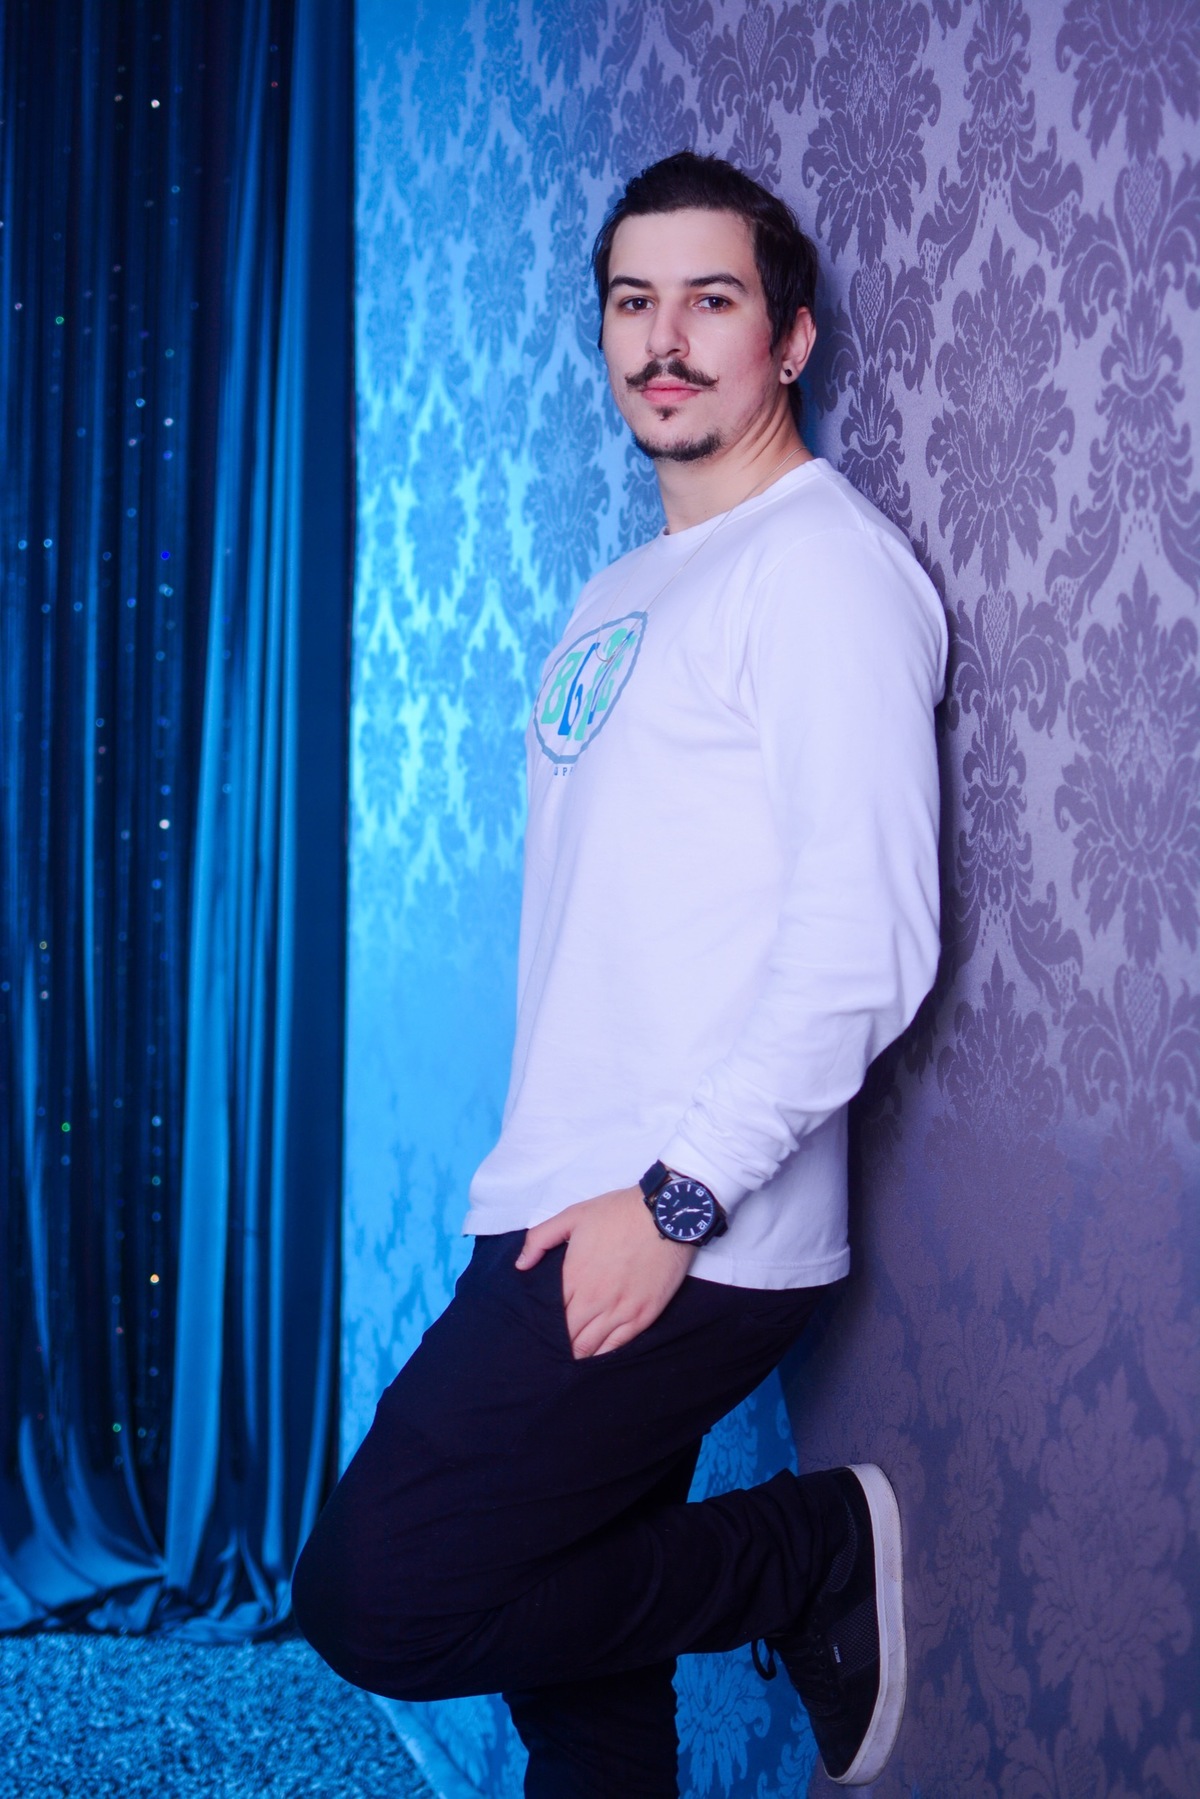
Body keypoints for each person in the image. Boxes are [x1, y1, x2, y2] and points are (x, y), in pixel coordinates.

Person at [293, 150, 946, 1797]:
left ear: (789, 338)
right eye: (633, 302)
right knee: (586, 1708)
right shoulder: (625, 588)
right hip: (561, 1192)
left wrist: (674, 1202)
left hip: (684, 1220)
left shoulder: (823, 569)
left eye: (711, 301)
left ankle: (806, 1551)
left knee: (383, 1592)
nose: (665, 339)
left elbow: (868, 937)